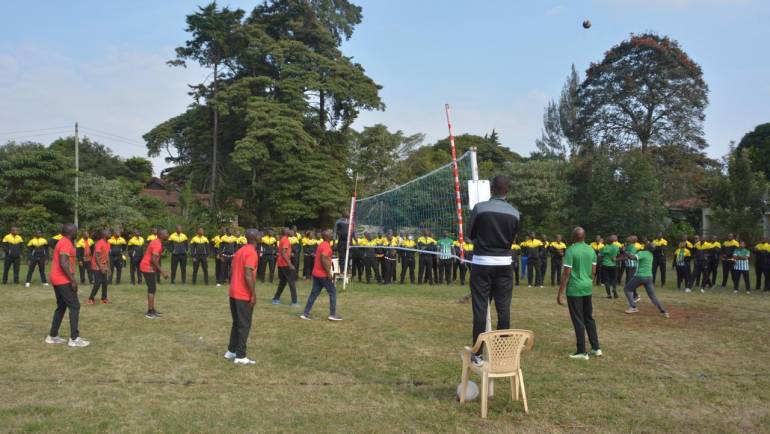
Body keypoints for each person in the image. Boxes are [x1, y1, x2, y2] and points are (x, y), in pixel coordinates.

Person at [467, 175, 519, 364]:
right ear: (507, 190)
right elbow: (512, 238)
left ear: (491, 189)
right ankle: (502, 354)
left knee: (481, 309)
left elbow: (470, 234)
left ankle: (478, 354)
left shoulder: (480, 208)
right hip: (504, 264)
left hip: (482, 263)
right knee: (504, 309)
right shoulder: (515, 213)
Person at [556, 227, 601, 360]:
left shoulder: (570, 250)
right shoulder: (591, 249)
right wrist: (588, 282)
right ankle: (596, 348)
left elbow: (566, 273)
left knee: (578, 319)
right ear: (584, 236)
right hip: (587, 287)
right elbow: (593, 271)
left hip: (575, 289)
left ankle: (581, 351)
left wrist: (560, 293)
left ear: (573, 237)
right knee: (589, 317)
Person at [45, 223, 90, 348]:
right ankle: (74, 339)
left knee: (61, 306)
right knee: (75, 306)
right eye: (76, 231)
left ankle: (52, 336)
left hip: (56, 278)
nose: (77, 233)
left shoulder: (63, 241)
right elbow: (63, 263)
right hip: (62, 279)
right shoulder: (65, 242)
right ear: (71, 232)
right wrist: (73, 280)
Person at [223, 228, 260, 365]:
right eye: (259, 234)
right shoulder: (251, 252)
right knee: (244, 325)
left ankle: (231, 351)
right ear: (255, 238)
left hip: (233, 293)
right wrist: (253, 294)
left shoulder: (239, 251)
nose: (261, 235)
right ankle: (240, 355)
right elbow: (248, 274)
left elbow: (232, 272)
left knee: (237, 323)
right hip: (242, 295)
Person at [301, 229, 344, 321]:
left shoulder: (322, 244)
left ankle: (305, 313)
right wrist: (328, 273)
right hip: (322, 275)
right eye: (331, 233)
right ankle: (332, 314)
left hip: (316, 274)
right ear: (327, 236)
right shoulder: (325, 246)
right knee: (332, 292)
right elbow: (324, 258)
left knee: (314, 294)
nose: (333, 234)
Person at [622, 243, 669, 317]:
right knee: (652, 296)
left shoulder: (643, 253)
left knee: (627, 289)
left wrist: (624, 251)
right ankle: (664, 311)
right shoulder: (651, 254)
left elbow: (632, 257)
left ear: (646, 247)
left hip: (640, 276)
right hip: (649, 277)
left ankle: (633, 307)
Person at [139, 229, 169, 318]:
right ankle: (149, 312)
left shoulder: (156, 241)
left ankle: (152, 309)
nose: (168, 234)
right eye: (166, 233)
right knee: (151, 289)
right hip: (147, 267)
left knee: (152, 288)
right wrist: (162, 272)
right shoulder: (157, 244)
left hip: (149, 267)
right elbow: (153, 260)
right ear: (161, 235)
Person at [272, 228, 298, 306]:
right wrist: (290, 264)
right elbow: (283, 253)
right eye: (289, 230)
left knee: (283, 282)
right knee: (292, 282)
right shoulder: (285, 240)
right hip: (285, 264)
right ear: (286, 232)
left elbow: (283, 252)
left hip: (281, 264)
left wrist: (290, 254)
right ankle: (294, 302)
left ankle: (276, 299)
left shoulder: (283, 239)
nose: (291, 231)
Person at [88, 230, 111, 305]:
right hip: (96, 265)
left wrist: (108, 267)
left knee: (105, 282)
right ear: (104, 235)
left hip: (104, 265)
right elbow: (96, 256)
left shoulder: (108, 243)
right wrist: (101, 267)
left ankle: (104, 298)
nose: (110, 234)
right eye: (108, 233)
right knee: (97, 283)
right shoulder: (99, 243)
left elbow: (107, 256)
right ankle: (91, 298)